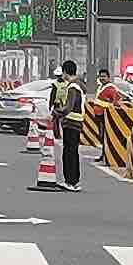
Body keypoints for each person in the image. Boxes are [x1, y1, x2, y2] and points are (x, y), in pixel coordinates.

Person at [47, 57, 85, 185]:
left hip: (71, 123)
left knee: (68, 153)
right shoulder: (79, 85)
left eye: (63, 73)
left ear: (65, 72)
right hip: (76, 123)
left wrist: (56, 113)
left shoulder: (73, 87)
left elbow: (68, 107)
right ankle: (73, 181)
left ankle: (70, 180)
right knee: (73, 152)